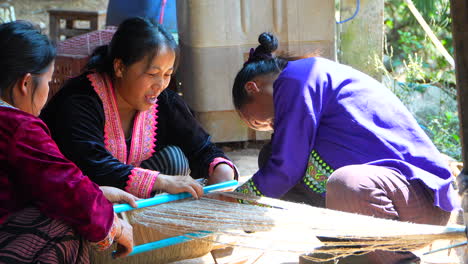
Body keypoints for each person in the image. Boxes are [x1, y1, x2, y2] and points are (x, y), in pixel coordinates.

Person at [231, 32, 460, 264]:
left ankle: (394, 259)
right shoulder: (303, 81)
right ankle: (351, 250)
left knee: (347, 183)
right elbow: (285, 164)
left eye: (256, 121)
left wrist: (238, 201)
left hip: (420, 206)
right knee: (270, 155)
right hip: (395, 202)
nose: (267, 126)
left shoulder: (295, 79)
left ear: (253, 87)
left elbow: (286, 168)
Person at [41, 17, 237, 199]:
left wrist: (221, 169)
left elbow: (201, 148)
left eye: (167, 74)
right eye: (153, 74)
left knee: (173, 159)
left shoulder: (164, 101)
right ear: (119, 67)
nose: (161, 85)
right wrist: (161, 181)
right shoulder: (79, 101)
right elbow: (93, 166)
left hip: (130, 202)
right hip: (76, 200)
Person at [0, 21, 137, 263]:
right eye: (49, 82)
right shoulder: (18, 127)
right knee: (69, 221)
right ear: (25, 83)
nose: (50, 91)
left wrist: (96, 192)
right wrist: (113, 226)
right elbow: (65, 185)